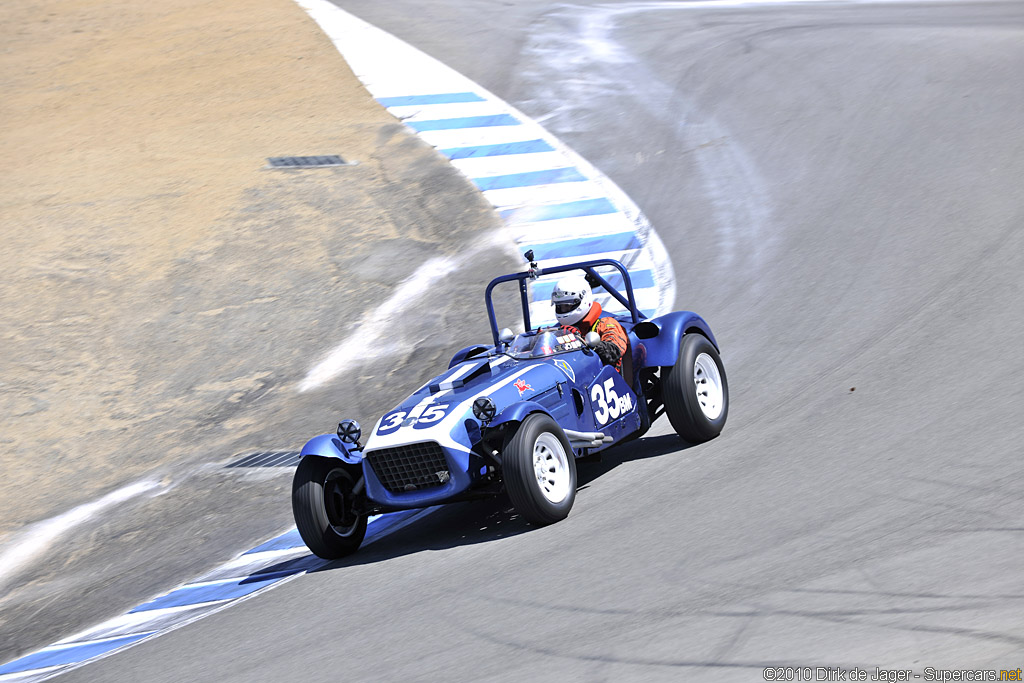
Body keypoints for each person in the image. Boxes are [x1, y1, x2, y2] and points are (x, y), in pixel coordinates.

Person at [551, 274, 628, 373]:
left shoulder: (606, 324)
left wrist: (581, 342)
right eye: (560, 306)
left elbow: (614, 353)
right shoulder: (559, 330)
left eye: (567, 305)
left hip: (603, 380)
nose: (563, 309)